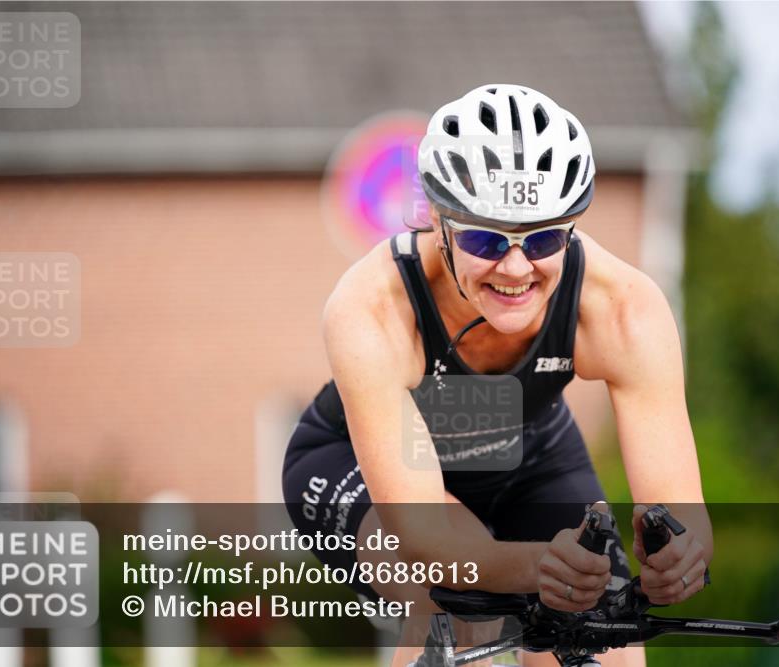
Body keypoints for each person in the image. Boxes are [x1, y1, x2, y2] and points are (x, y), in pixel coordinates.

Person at [283, 84, 712, 667]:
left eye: (542, 238)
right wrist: (539, 568)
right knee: (461, 608)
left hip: (525, 450)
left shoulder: (623, 309)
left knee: (600, 636)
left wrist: (678, 558)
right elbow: (427, 542)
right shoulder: (372, 308)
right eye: (487, 239)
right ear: (439, 222)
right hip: (356, 465)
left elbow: (683, 515)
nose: (515, 268)